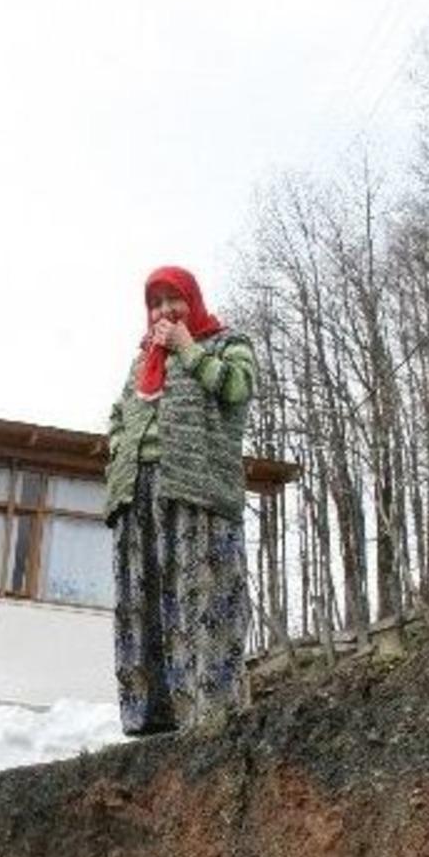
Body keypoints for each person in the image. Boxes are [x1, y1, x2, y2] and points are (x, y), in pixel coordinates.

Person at [104, 265, 256, 736]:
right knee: (142, 600)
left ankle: (212, 714)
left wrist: (189, 348)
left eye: (174, 300)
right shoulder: (141, 362)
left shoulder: (227, 342)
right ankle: (152, 715)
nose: (165, 311)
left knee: (201, 595)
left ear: (194, 301)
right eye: (156, 303)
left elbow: (237, 387)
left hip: (197, 490)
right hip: (137, 491)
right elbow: (118, 415)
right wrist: (118, 451)